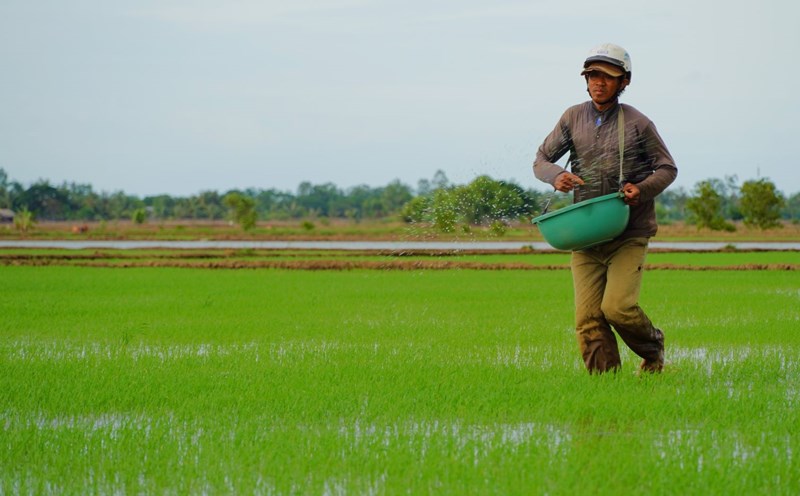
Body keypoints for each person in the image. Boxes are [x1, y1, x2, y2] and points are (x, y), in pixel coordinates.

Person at [533, 43, 677, 374]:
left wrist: (639, 190)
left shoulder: (639, 124)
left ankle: (653, 349)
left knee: (617, 307)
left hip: (628, 232)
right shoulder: (573, 117)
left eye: (608, 77)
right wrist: (557, 176)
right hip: (585, 234)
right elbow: (541, 160)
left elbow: (667, 169)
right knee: (587, 318)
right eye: (593, 75)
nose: (599, 82)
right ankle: (606, 384)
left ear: (624, 81)